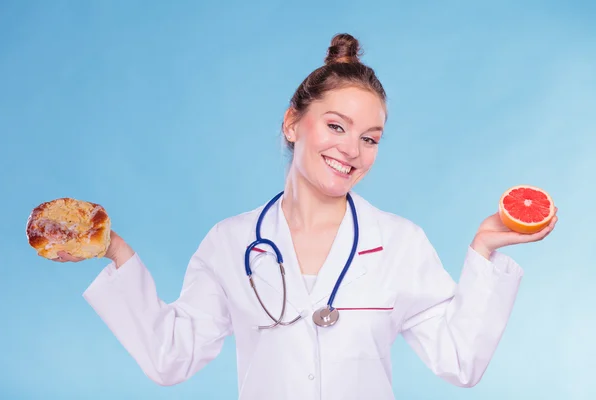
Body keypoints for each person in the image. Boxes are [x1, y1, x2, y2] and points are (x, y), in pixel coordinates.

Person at [57, 33, 557, 399]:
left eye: (370, 138)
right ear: (293, 123)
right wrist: (116, 250)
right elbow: (171, 357)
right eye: (336, 126)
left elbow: (460, 361)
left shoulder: (399, 243)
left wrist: (485, 249)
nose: (352, 150)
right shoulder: (230, 243)